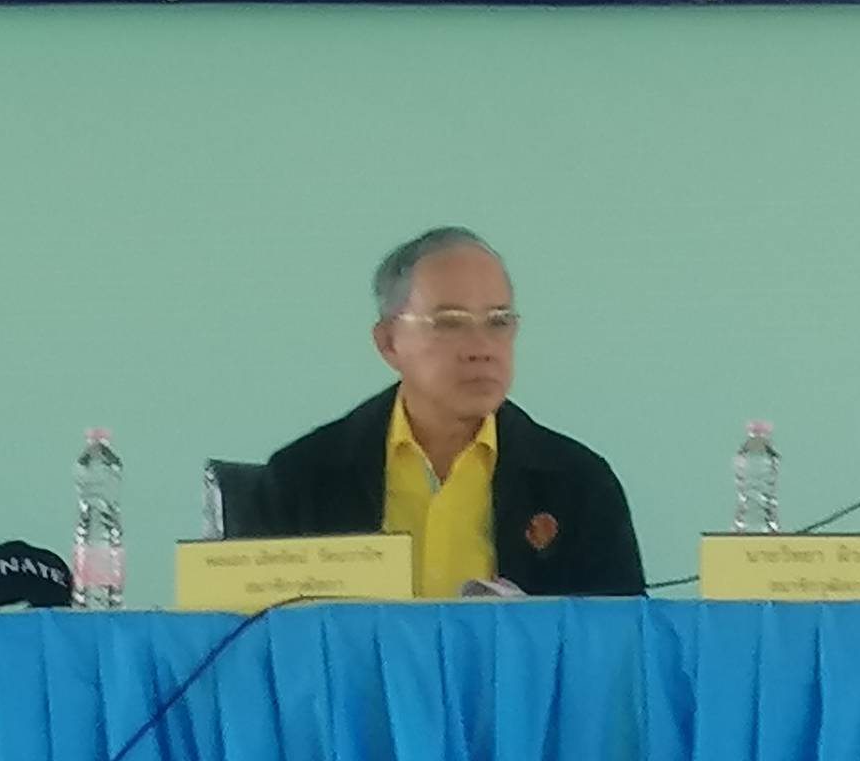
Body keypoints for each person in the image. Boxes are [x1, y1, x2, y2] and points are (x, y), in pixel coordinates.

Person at [255, 227, 645, 597]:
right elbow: (256, 634)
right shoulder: (301, 479)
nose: (482, 348)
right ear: (389, 342)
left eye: (499, 322)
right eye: (450, 323)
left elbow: (621, 637)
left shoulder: (577, 484)